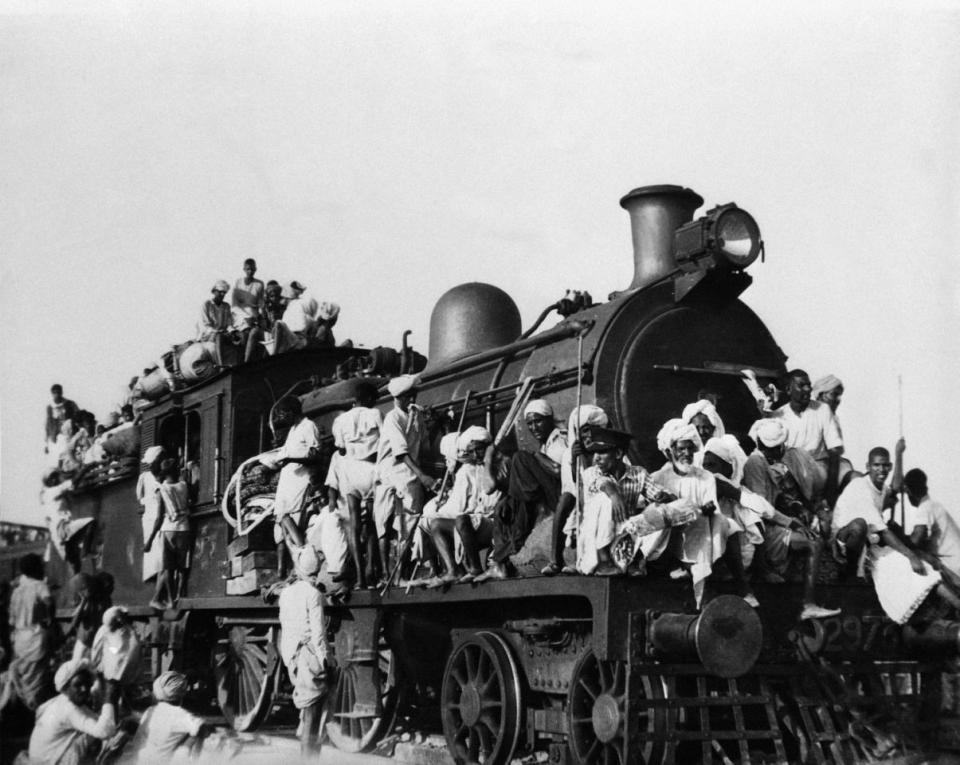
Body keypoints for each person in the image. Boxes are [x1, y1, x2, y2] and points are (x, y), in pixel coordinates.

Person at [702, 435, 840, 620]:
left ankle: (773, 581)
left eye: (712, 465)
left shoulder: (735, 487)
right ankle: (747, 587)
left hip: (738, 551)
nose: (707, 470)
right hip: (710, 549)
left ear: (728, 467)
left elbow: (761, 506)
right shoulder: (707, 483)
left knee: (751, 518)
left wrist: (791, 520)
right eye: (705, 465)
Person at [650, 419, 747, 608]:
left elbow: (710, 509)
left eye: (689, 449)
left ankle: (717, 575)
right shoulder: (658, 478)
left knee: (723, 522)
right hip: (667, 539)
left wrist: (701, 510)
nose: (686, 454)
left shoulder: (706, 477)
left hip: (697, 533)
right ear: (671, 452)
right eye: (681, 449)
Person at [574, 426, 685, 576]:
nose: (596, 458)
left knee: (666, 510)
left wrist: (664, 497)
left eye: (602, 452)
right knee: (603, 498)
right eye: (594, 453)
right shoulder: (590, 473)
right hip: (595, 545)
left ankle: (637, 558)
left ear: (618, 453)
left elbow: (662, 494)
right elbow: (602, 483)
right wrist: (614, 495)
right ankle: (604, 560)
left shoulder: (638, 473)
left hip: (626, 537)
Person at [483, 399, 565, 580]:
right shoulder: (546, 443)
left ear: (549, 419)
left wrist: (536, 456)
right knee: (504, 506)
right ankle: (501, 558)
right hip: (551, 493)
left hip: (560, 497)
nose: (534, 427)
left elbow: (559, 470)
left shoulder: (558, 441)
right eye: (530, 423)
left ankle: (499, 559)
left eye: (538, 421)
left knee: (520, 458)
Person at [423, 426, 501, 585]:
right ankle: (453, 570)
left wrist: (488, 461)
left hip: (494, 523)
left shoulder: (498, 465)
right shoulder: (474, 468)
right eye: (471, 451)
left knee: (462, 520)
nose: (475, 455)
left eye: (478, 450)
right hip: (476, 523)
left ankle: (475, 568)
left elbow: (491, 496)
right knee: (436, 524)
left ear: (488, 446)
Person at [375, 375, 433, 579]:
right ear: (398, 397)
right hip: (393, 473)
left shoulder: (415, 415)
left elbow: (424, 446)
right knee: (393, 523)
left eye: (414, 396)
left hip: (411, 475)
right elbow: (401, 453)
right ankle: (393, 573)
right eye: (409, 396)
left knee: (411, 521)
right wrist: (423, 476)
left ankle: (406, 569)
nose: (413, 400)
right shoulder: (392, 418)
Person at [326, 380, 383, 588]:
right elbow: (384, 443)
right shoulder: (375, 414)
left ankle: (359, 577)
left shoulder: (340, 420)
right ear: (368, 399)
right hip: (371, 468)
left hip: (351, 470)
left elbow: (340, 449)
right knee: (373, 522)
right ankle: (371, 570)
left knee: (354, 523)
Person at [542, 405, 611, 576]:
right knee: (565, 500)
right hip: (579, 497)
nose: (588, 436)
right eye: (583, 431)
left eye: (592, 431)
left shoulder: (607, 450)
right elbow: (573, 485)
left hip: (604, 497)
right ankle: (556, 559)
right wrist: (575, 459)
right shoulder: (569, 455)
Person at [277, 536, 329, 757]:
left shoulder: (286, 593)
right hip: (309, 654)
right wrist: (325, 659)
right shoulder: (314, 594)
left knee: (307, 709)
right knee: (313, 713)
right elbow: (318, 633)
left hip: (291, 654)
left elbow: (284, 624)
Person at [261, 396, 321, 572]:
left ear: (290, 412)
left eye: (282, 413)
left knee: (292, 520)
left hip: (300, 481)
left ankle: (302, 563)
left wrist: (290, 459)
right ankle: (284, 568)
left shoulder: (308, 426)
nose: (281, 418)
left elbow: (315, 453)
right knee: (281, 520)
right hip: (288, 482)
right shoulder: (294, 429)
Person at [770, 369, 846, 507]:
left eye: (809, 385)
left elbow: (834, 453)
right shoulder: (779, 414)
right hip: (790, 475)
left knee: (792, 453)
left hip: (817, 471)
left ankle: (807, 504)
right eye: (802, 385)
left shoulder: (822, 410)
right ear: (788, 390)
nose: (808, 389)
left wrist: (830, 495)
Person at [831, 443, 907, 580]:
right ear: (868, 467)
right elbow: (883, 531)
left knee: (895, 532)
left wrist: (898, 454)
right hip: (842, 538)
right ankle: (850, 571)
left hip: (864, 538)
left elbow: (895, 487)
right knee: (860, 525)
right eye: (876, 465)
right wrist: (911, 556)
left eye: (885, 466)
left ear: (889, 467)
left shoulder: (882, 487)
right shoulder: (861, 486)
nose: (881, 470)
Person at [26, 658, 120, 765]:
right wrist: (109, 699)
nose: (84, 689)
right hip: (46, 761)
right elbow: (105, 731)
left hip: (43, 757)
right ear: (66, 688)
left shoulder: (64, 701)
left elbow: (100, 720)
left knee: (99, 727)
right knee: (93, 736)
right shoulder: (67, 708)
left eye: (87, 684)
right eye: (78, 685)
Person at [0, 554, 55, 715]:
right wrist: (50, 619)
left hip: (19, 638)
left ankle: (20, 710)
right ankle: (34, 711)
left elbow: (12, 620)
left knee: (23, 676)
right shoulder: (39, 586)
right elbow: (49, 601)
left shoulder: (17, 591)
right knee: (37, 678)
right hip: (36, 637)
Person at [126, 671, 207, 764]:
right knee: (193, 736)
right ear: (182, 694)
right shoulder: (181, 715)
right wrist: (185, 747)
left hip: (140, 761)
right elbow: (203, 728)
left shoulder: (150, 711)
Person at [146, 459, 192, 609]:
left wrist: (150, 540)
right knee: (181, 567)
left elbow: (159, 518)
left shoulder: (162, 490)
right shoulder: (184, 485)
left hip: (168, 530)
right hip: (184, 529)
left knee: (167, 568)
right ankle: (181, 594)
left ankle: (171, 601)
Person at [903, 467, 960, 581]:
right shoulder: (934, 505)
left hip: (954, 566)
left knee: (913, 554)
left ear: (908, 491)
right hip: (955, 561)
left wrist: (898, 539)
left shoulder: (925, 507)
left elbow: (916, 539)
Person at [41, 469, 94, 576]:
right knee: (90, 522)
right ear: (51, 480)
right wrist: (85, 469)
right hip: (62, 526)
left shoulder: (50, 493)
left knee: (74, 562)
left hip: (59, 530)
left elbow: (72, 486)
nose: (57, 478)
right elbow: (72, 483)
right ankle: (85, 552)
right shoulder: (52, 491)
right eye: (55, 477)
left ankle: (77, 578)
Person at [90, 607, 142, 699]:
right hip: (108, 671)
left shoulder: (130, 633)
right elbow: (96, 651)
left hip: (125, 671)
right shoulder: (104, 631)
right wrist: (98, 666)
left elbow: (134, 652)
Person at [136, 446, 166, 585]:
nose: (150, 466)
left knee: (161, 557)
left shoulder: (165, 476)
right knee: (153, 556)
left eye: (152, 463)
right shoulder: (144, 477)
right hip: (149, 519)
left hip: (162, 518)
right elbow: (140, 498)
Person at [45, 385, 79, 455]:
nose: (57, 394)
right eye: (55, 393)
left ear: (62, 393)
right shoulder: (50, 408)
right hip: (57, 434)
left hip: (71, 429)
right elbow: (47, 426)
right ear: (52, 394)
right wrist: (46, 445)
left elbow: (79, 415)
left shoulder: (70, 403)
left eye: (58, 392)